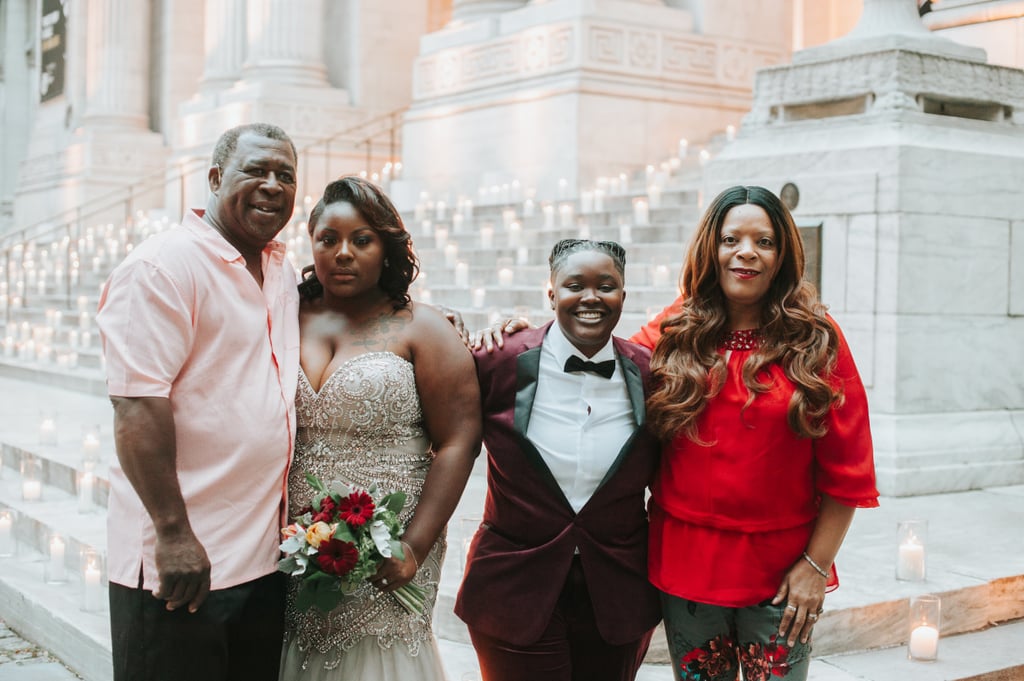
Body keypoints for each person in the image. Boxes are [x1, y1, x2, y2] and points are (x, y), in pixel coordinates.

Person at [643, 185, 878, 680]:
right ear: (712, 248)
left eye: (764, 242)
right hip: (686, 568)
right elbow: (603, 359)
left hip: (784, 575)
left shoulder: (818, 340)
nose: (745, 252)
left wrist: (816, 567)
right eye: (731, 240)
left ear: (782, 255)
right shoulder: (674, 329)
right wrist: (520, 337)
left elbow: (848, 474)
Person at [96, 122, 302, 681]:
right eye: (255, 171)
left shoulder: (280, 268)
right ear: (214, 178)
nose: (272, 185)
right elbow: (137, 406)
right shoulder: (162, 267)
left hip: (262, 562)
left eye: (285, 175)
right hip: (185, 563)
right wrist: (172, 533)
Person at [278, 176, 482, 680]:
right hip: (298, 542)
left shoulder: (423, 327)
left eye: (361, 240)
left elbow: (459, 441)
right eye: (328, 239)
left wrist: (413, 544)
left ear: (387, 248)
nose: (343, 253)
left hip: (395, 541)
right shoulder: (284, 315)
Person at [457, 239, 661, 681]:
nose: (591, 297)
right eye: (575, 285)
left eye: (606, 286)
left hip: (617, 592)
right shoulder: (497, 361)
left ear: (623, 296)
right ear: (551, 293)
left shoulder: (653, 374)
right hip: (514, 584)